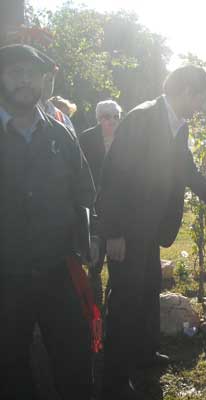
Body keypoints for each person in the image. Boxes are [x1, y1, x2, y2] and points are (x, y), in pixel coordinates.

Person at [97, 65, 206, 399]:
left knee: (148, 291)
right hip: (127, 229)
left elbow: (188, 172)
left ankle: (145, 354)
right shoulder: (142, 118)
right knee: (124, 303)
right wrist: (113, 232)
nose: (203, 107)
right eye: (203, 99)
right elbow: (113, 177)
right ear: (186, 92)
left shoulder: (177, 126)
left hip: (151, 229)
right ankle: (116, 379)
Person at [0, 44, 95, 399]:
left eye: (31, 73)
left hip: (60, 272)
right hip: (6, 279)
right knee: (10, 366)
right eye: (14, 72)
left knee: (74, 360)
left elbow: (84, 191)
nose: (24, 80)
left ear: (43, 80)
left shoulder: (60, 135)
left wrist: (89, 239)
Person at [79, 99, 123, 307]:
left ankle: (111, 306)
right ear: (98, 119)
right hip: (94, 209)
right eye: (107, 117)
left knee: (117, 262)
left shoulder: (126, 139)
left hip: (118, 211)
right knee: (94, 260)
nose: (112, 121)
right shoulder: (86, 138)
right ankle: (92, 306)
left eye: (116, 116)